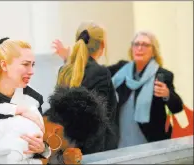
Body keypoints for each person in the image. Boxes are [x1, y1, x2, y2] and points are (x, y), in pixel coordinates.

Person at [53, 31, 184, 148]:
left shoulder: (163, 75)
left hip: (150, 142)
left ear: (154, 50)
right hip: (121, 142)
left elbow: (177, 107)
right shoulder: (122, 69)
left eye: (145, 45)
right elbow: (94, 74)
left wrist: (167, 94)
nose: (139, 48)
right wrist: (69, 59)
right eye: (136, 44)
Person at [52, 22, 119, 154]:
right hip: (97, 151)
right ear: (102, 45)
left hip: (69, 149)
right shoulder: (100, 73)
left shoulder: (64, 71)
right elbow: (99, 119)